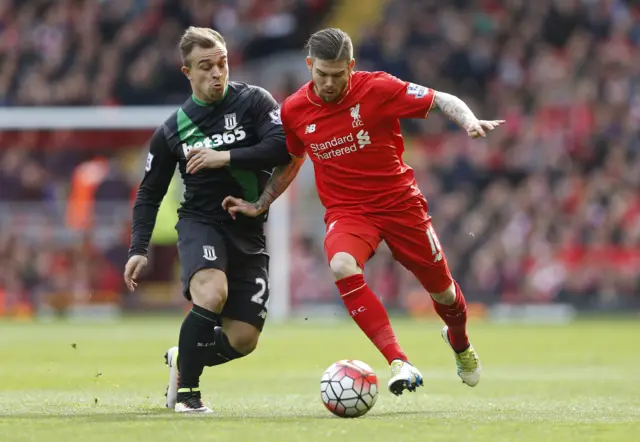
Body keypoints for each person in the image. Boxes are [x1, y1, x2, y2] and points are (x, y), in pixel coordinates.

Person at [221, 28, 504, 396]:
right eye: (321, 74)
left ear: (351, 67)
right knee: (341, 264)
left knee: (445, 294)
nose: (329, 82)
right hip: (348, 211)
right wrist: (262, 202)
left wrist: (468, 121)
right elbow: (293, 159)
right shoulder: (293, 109)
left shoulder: (378, 89)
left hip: (401, 204)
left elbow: (440, 99)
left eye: (338, 75)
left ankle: (461, 343)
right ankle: (399, 361)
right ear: (310, 65)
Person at [123, 26, 291, 413]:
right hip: (202, 223)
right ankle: (188, 396)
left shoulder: (254, 102)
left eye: (222, 63)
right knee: (212, 293)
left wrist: (225, 157)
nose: (217, 73)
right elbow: (149, 192)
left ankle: (183, 356)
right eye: (206, 66)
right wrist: (138, 248)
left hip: (249, 230)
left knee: (244, 339)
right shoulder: (172, 131)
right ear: (187, 73)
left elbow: (283, 146)